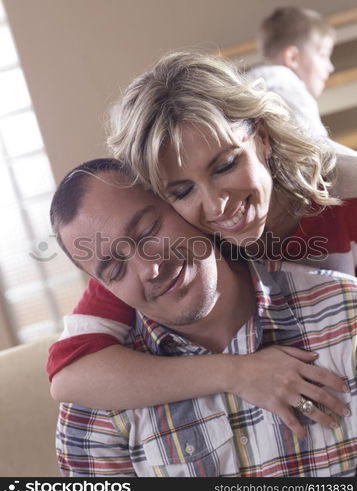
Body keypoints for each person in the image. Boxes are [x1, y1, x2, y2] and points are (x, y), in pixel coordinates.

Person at [48, 52, 357, 436]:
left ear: (260, 137)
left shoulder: (348, 192)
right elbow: (70, 376)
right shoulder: (171, 248)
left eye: (225, 164)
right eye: (182, 190)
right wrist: (235, 373)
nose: (216, 205)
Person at [53, 159, 357, 477]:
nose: (150, 268)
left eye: (147, 231)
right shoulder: (94, 403)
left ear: (183, 204)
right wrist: (235, 373)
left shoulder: (344, 313)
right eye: (115, 269)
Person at [246, 6, 356, 156]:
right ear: (292, 58)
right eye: (323, 55)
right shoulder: (286, 85)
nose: (330, 67)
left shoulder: (252, 86)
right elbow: (319, 149)